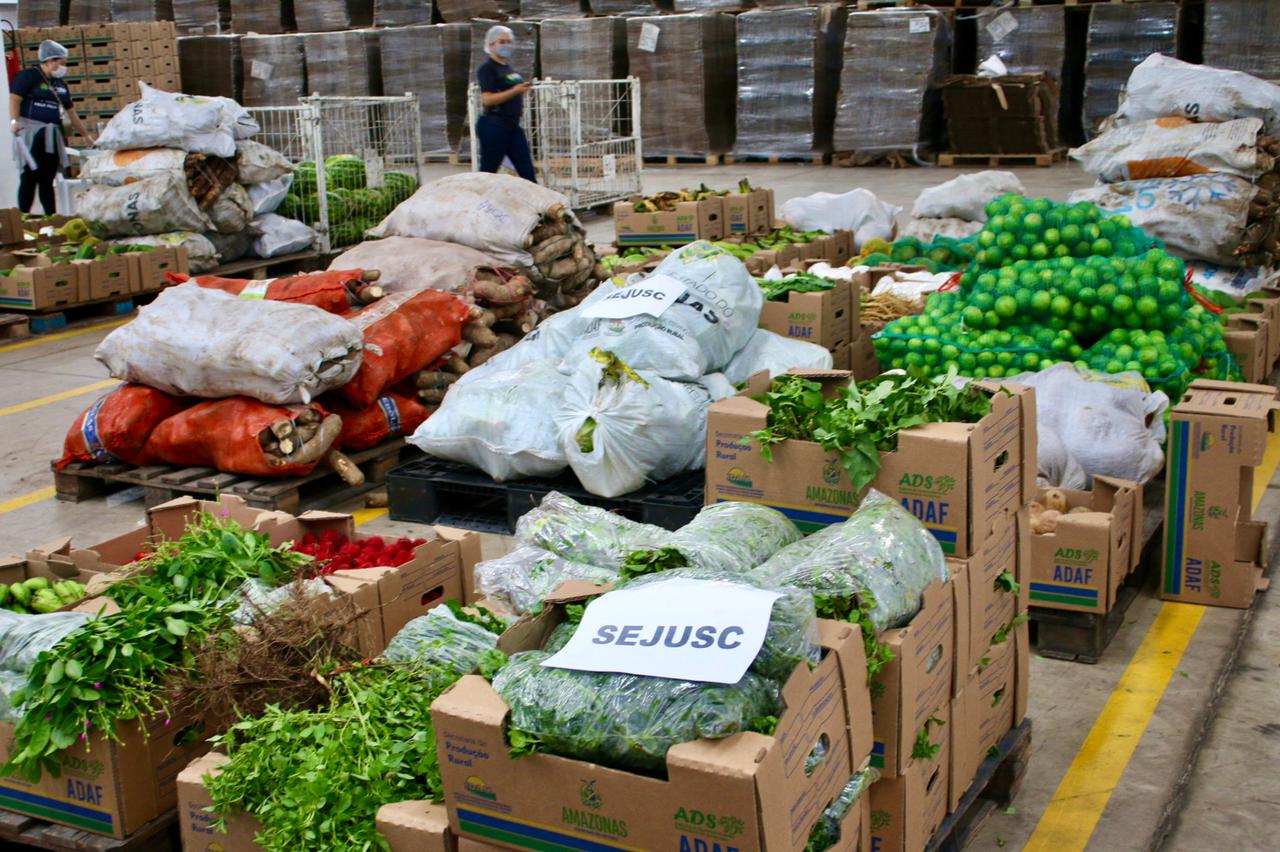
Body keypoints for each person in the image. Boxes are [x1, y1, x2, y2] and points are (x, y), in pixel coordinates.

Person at [8, 40, 93, 214]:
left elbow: (71, 111)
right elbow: (15, 99)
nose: (63, 67)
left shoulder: (60, 84)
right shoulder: (29, 76)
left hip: (52, 134)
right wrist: (14, 121)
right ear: (50, 60)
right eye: (62, 63)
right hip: (33, 133)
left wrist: (86, 135)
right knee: (30, 175)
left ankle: (50, 215)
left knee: (47, 177)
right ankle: (24, 215)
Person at [475, 25, 536, 183]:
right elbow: (487, 99)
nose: (506, 45)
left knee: (527, 170)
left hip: (512, 126)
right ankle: (479, 204)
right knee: (488, 172)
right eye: (501, 41)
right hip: (494, 125)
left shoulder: (507, 68)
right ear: (491, 45)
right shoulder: (487, 69)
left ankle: (536, 206)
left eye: (509, 42)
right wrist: (514, 91)